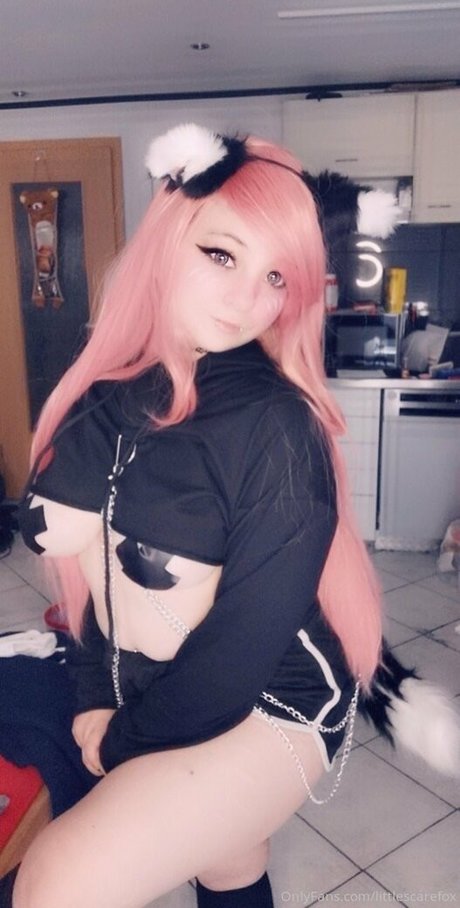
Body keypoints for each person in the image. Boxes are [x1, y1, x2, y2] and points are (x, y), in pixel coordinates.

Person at [9, 124, 457, 908]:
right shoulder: (107, 394)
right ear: (167, 238)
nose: (249, 299)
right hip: (152, 677)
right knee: (226, 861)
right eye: (222, 255)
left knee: (57, 882)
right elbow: (87, 578)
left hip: (276, 697)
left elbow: (243, 648)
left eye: (277, 276)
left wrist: (121, 737)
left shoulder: (277, 426)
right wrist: (91, 695)